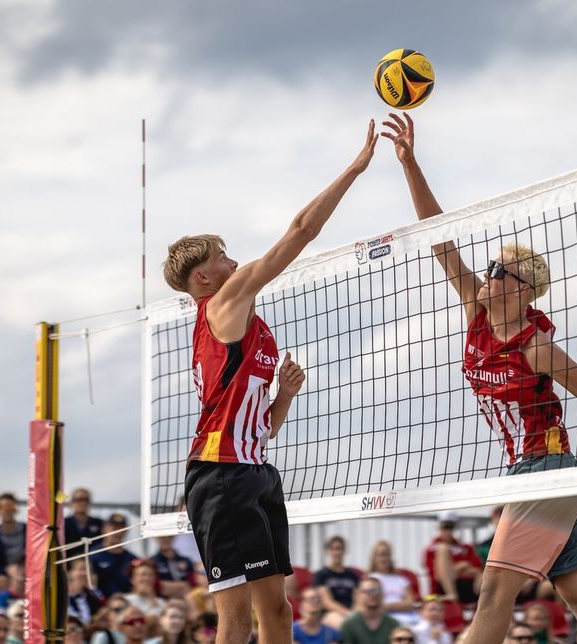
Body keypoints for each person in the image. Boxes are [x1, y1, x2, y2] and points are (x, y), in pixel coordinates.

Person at [381, 112, 577, 644]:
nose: (485, 276)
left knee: (493, 594)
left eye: (497, 272)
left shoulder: (537, 347)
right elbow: (440, 240)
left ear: (521, 290)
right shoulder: (476, 314)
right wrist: (410, 162)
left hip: (546, 469)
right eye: (487, 269)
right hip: (531, 471)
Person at [164, 120, 377, 644]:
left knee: (277, 614)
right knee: (235, 620)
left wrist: (282, 396)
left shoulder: (254, 330)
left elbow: (262, 429)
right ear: (203, 279)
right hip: (220, 477)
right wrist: (354, 169)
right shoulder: (222, 304)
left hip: (255, 470)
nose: (235, 262)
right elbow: (302, 230)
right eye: (222, 257)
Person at [423, 512, 482, 604]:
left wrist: (451, 570)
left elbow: (477, 568)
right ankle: (451, 594)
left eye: (450, 527)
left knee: (484, 574)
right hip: (441, 590)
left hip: (469, 587)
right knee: (443, 549)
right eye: (445, 526)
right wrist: (459, 567)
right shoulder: (431, 549)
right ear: (439, 527)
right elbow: (437, 575)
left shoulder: (466, 547)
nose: (448, 530)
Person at [313, 536, 360, 630]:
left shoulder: (353, 575)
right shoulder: (321, 575)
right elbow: (326, 602)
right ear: (328, 551)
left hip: (352, 612)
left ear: (344, 551)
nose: (337, 552)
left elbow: (358, 599)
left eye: (339, 549)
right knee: (345, 624)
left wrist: (354, 613)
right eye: (333, 549)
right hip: (330, 614)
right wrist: (348, 614)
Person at [368, 540, 418, 626]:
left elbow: (410, 603)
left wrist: (387, 607)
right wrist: (400, 605)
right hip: (383, 620)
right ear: (374, 558)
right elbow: (373, 605)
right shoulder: (370, 579)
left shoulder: (401, 579)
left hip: (409, 617)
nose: (383, 558)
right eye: (380, 555)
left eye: (386, 555)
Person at [340, 577, 401, 644]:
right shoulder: (350, 624)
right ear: (358, 595)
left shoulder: (392, 624)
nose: (373, 595)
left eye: (377, 591)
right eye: (367, 591)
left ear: (382, 594)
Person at [90, 514, 137, 597]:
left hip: (126, 603)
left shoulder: (132, 559)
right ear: (104, 529)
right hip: (100, 604)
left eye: (121, 528)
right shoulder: (92, 556)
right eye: (114, 528)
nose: (118, 532)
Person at [0, 493, 26, 582]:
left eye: (10, 506)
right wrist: (6, 570)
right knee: (0, 580)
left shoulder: (27, 530)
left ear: (15, 509)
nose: (7, 510)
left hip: (27, 569)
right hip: (6, 573)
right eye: (3, 507)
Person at [64, 488, 106, 559]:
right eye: (79, 500)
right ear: (72, 502)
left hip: (93, 564)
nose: (83, 503)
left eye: (86, 500)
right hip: (69, 563)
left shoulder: (98, 523)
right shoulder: (64, 523)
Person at [67, 560, 103, 626]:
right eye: (82, 569)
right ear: (70, 573)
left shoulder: (93, 596)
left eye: (90, 570)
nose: (86, 573)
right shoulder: (61, 597)